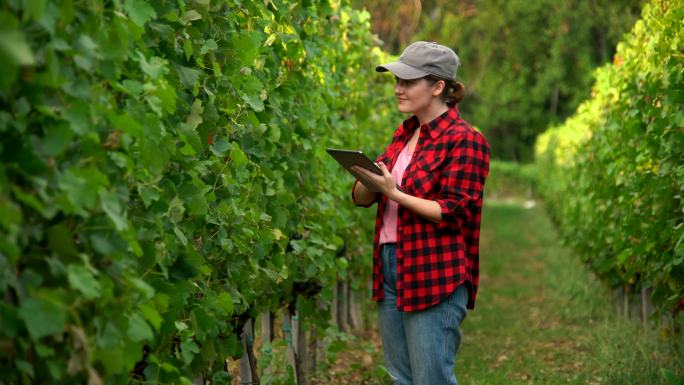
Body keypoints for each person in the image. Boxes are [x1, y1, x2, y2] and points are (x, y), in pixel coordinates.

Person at [350, 41, 490, 385]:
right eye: (397, 80)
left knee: (431, 378)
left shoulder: (465, 140)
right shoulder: (405, 134)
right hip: (389, 264)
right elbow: (362, 199)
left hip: (433, 269)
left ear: (438, 86)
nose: (398, 89)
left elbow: (453, 211)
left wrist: (394, 193)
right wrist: (365, 177)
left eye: (408, 81)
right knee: (401, 377)